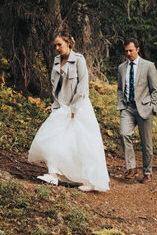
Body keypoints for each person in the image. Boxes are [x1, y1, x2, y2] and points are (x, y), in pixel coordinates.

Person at [28, 34, 110, 192]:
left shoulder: (79, 59)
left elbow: (82, 85)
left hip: (78, 107)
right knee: (50, 138)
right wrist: (56, 105)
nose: (57, 48)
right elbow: (55, 86)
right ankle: (54, 174)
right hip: (62, 107)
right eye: (55, 46)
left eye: (59, 45)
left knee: (81, 145)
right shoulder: (56, 61)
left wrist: (74, 109)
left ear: (68, 43)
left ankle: (88, 179)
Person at [116, 38, 157, 182]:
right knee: (124, 134)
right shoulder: (121, 67)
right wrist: (121, 105)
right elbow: (120, 89)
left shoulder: (148, 66)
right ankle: (132, 167)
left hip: (144, 108)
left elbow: (155, 90)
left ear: (138, 49)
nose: (128, 53)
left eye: (131, 50)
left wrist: (153, 107)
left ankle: (147, 172)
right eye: (126, 51)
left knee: (146, 143)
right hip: (127, 108)